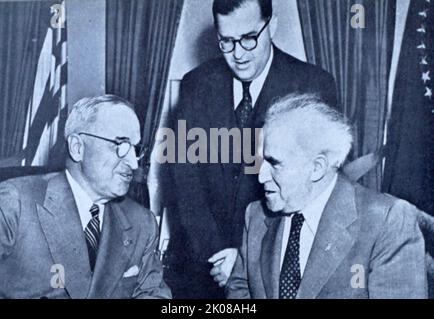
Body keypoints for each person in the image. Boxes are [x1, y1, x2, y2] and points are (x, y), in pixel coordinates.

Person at [164, 0, 338, 298]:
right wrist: (216, 251)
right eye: (227, 42)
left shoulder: (312, 86)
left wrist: (245, 256)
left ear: (271, 27)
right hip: (202, 266)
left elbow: (314, 191)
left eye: (248, 38)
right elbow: (185, 180)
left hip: (272, 264)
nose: (238, 54)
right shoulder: (196, 84)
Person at [226, 93, 428, 299]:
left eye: (274, 163)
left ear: (317, 168)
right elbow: (239, 294)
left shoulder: (387, 221)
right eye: (261, 161)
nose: (260, 176)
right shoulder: (256, 215)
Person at [0, 95, 171, 299]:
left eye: (135, 149)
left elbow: (154, 295)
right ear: (77, 147)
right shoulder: (17, 202)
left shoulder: (142, 222)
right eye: (121, 145)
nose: (134, 164)